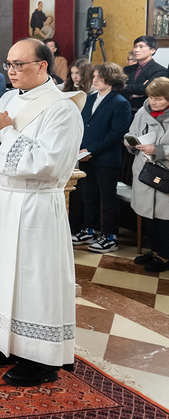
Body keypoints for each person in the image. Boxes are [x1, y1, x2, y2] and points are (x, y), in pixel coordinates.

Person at [0, 39, 85, 387]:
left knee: (34, 280)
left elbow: (48, 164)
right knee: (4, 274)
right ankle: (7, 342)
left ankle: (40, 359)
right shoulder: (8, 99)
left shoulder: (62, 109)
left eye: (18, 64)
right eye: (8, 64)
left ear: (42, 65)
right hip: (6, 201)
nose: (11, 71)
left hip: (36, 206)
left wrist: (6, 132)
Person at [69, 63, 132, 253]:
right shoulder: (89, 99)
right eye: (94, 76)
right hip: (86, 157)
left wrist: (91, 150)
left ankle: (110, 237)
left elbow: (115, 134)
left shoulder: (120, 102)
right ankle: (89, 229)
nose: (94, 80)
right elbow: (81, 126)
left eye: (99, 76)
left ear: (110, 78)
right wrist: (80, 149)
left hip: (106, 159)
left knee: (108, 199)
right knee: (89, 196)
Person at [125, 77, 169, 273]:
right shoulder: (142, 112)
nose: (154, 102)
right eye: (151, 97)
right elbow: (131, 132)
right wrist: (131, 143)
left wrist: (157, 150)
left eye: (159, 99)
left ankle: (165, 256)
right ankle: (155, 251)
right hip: (144, 170)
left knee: (164, 219)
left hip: (165, 173)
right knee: (148, 215)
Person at [123, 35, 168, 114]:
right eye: (135, 46)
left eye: (141, 47)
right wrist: (136, 90)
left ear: (152, 50)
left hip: (145, 111)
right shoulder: (127, 69)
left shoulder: (160, 70)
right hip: (124, 109)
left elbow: (147, 90)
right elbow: (117, 88)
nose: (136, 50)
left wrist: (126, 87)